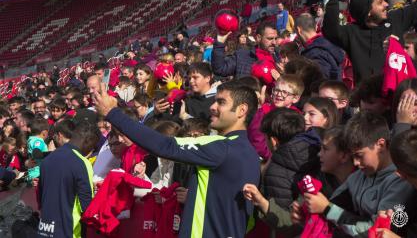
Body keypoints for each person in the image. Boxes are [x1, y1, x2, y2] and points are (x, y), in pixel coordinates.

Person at [93, 81, 260, 238]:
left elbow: (164, 146)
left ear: (241, 110)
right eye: (214, 101)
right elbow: (248, 218)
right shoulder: (253, 156)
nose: (212, 106)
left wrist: (112, 113)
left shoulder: (219, 146)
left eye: (221, 102)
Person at [299, 112, 417, 237]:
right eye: (353, 156)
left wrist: (327, 209)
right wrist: (306, 213)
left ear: (380, 145)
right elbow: (333, 206)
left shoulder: (401, 181)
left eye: (359, 155)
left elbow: (377, 231)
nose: (355, 163)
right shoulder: (358, 176)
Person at [323, 0, 417, 83]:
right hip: (367, 98)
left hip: (397, 95)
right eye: (380, 2)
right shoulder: (352, 32)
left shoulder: (394, 19)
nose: (387, 4)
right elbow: (330, 30)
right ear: (368, 11)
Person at [38, 122, 101, 238]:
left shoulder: (48, 159)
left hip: (44, 229)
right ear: (88, 141)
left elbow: (40, 198)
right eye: (93, 146)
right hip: (69, 231)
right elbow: (87, 206)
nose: (91, 150)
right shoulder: (82, 163)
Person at [248, 75, 304, 161]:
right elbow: (257, 140)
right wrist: (272, 158)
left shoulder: (297, 116)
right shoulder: (263, 112)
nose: (278, 94)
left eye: (285, 92)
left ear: (295, 98)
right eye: (277, 90)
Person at [211, 22, 279, 78]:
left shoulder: (279, 58)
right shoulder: (242, 56)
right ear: (258, 38)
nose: (274, 42)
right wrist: (219, 43)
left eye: (276, 39)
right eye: (270, 38)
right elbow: (220, 69)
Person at [295, 13, 344, 80]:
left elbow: (320, 84)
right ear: (316, 27)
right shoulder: (328, 42)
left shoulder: (315, 52)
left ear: (298, 30)